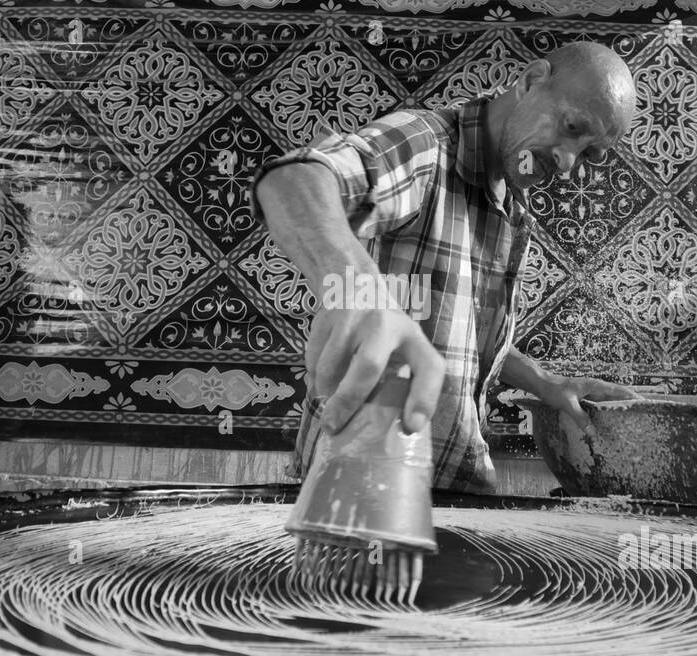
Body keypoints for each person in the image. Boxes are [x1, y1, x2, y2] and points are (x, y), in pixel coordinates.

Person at [252, 41, 641, 492]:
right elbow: (295, 178)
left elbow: (450, 329)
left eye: (590, 154)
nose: (568, 162)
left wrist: (544, 381)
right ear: (531, 80)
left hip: (455, 487)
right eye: (572, 127)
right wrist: (361, 294)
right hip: (357, 494)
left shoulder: (511, 207)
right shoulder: (426, 144)